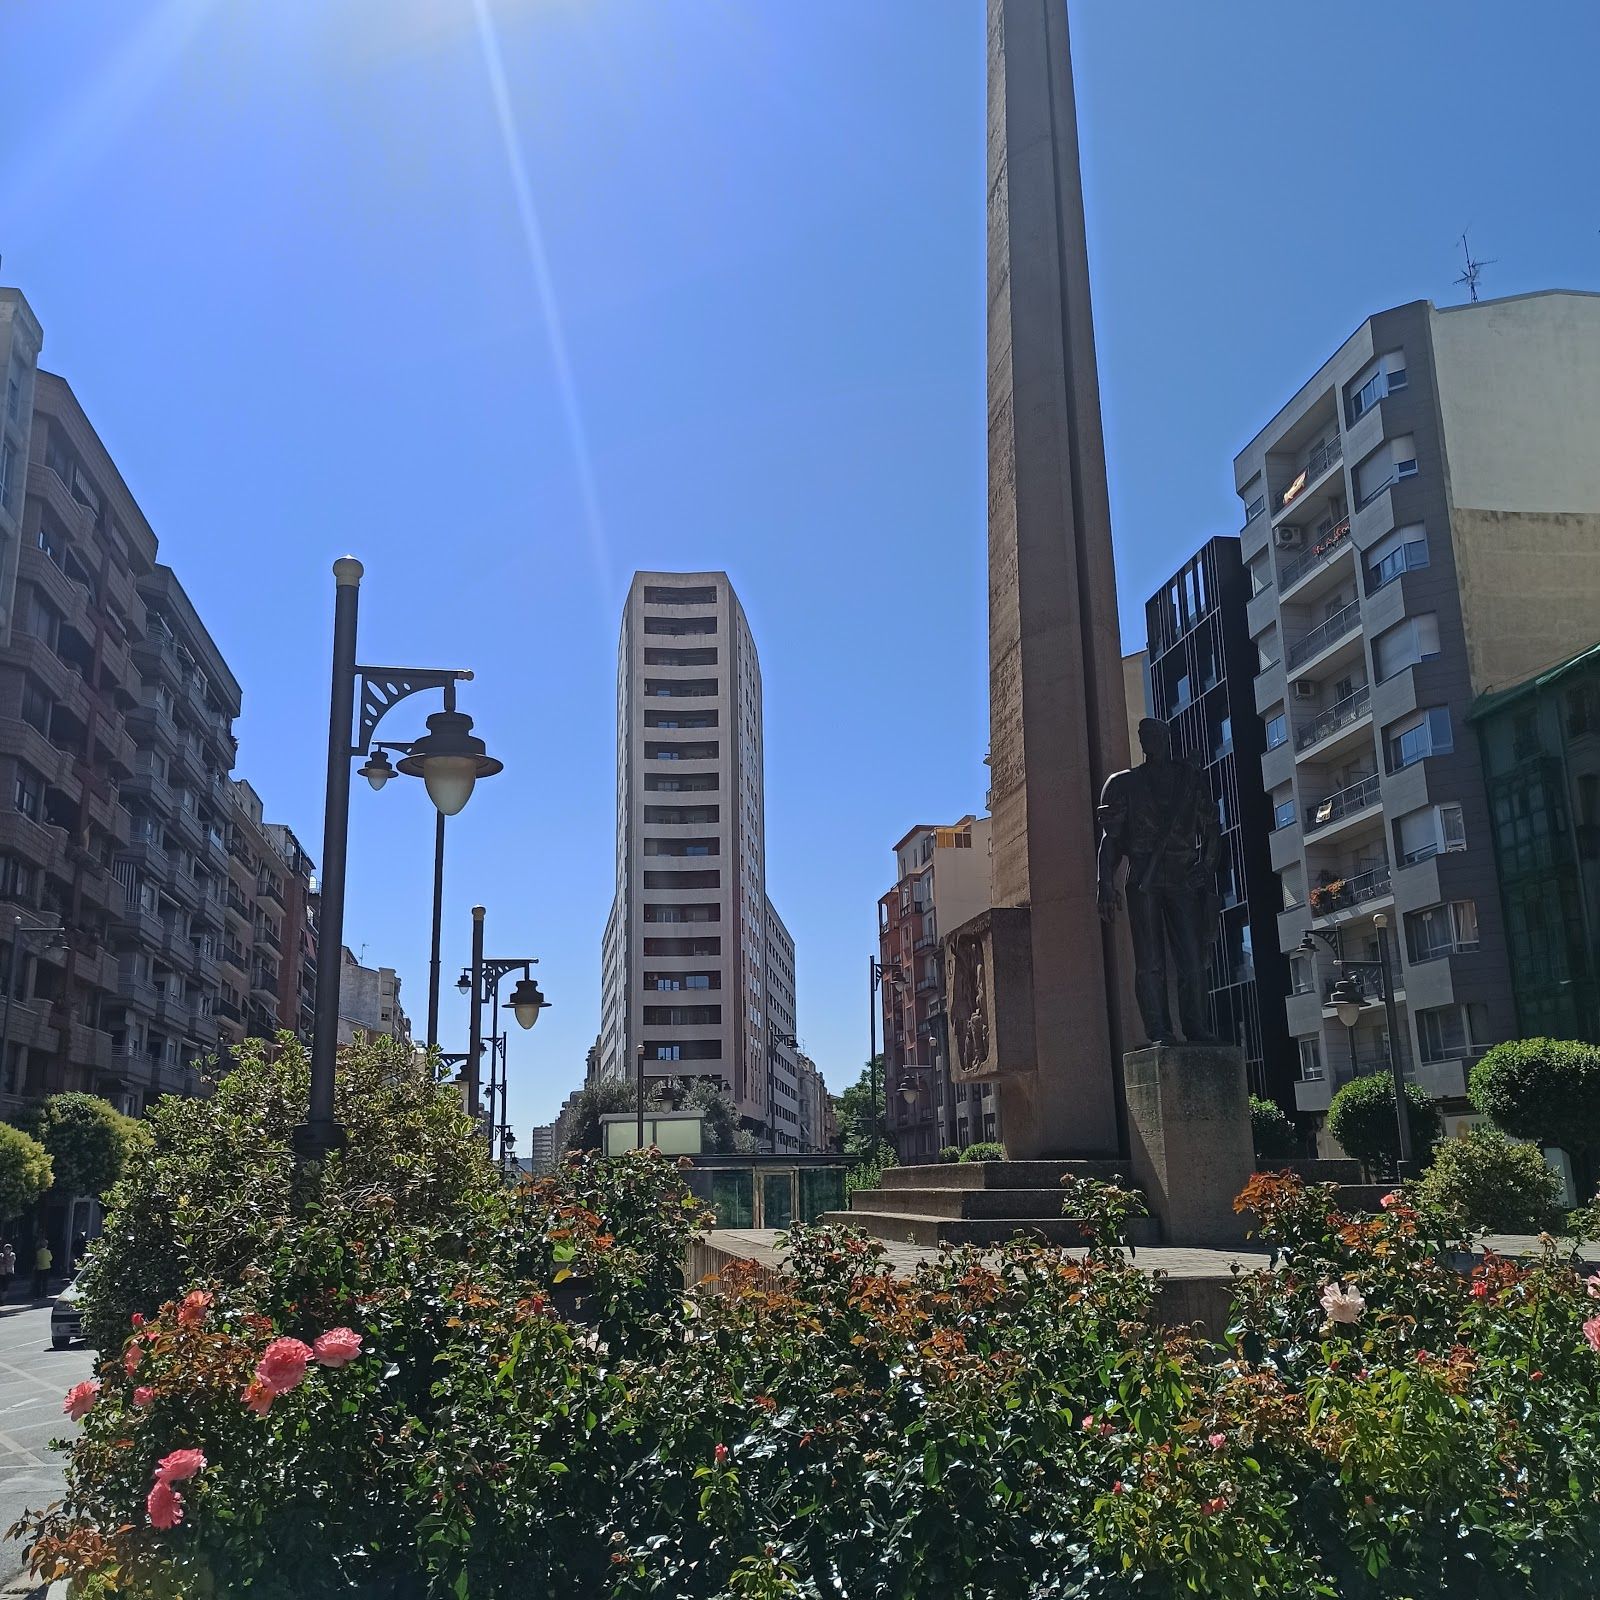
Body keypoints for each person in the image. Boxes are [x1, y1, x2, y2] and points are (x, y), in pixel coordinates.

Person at [1096, 718, 1222, 1046]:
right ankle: (1159, 1031)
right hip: (1144, 880)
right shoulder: (1124, 784)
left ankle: (1196, 1028)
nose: (1146, 740)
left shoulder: (1191, 780)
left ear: (1166, 738)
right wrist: (1104, 884)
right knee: (1149, 962)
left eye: (1152, 734)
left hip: (1183, 877)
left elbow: (1211, 830)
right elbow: (1111, 840)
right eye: (1142, 736)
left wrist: (1206, 867)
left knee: (1192, 962)